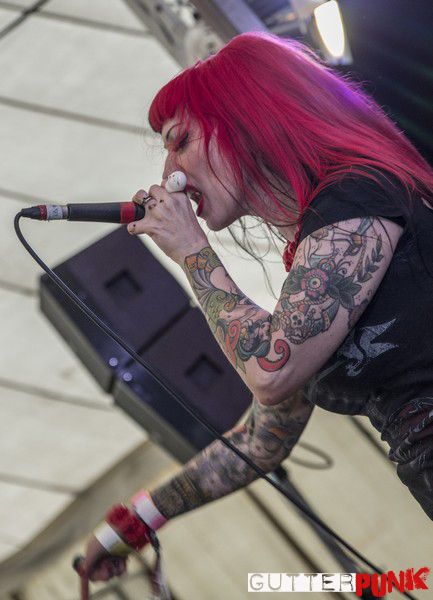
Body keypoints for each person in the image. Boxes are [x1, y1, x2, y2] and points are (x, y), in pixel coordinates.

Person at [77, 31, 433, 587]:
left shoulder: (356, 197)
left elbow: (271, 369)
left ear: (244, 121)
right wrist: (134, 522)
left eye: (181, 141)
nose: (169, 171)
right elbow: (258, 443)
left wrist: (192, 250)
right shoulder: (315, 268)